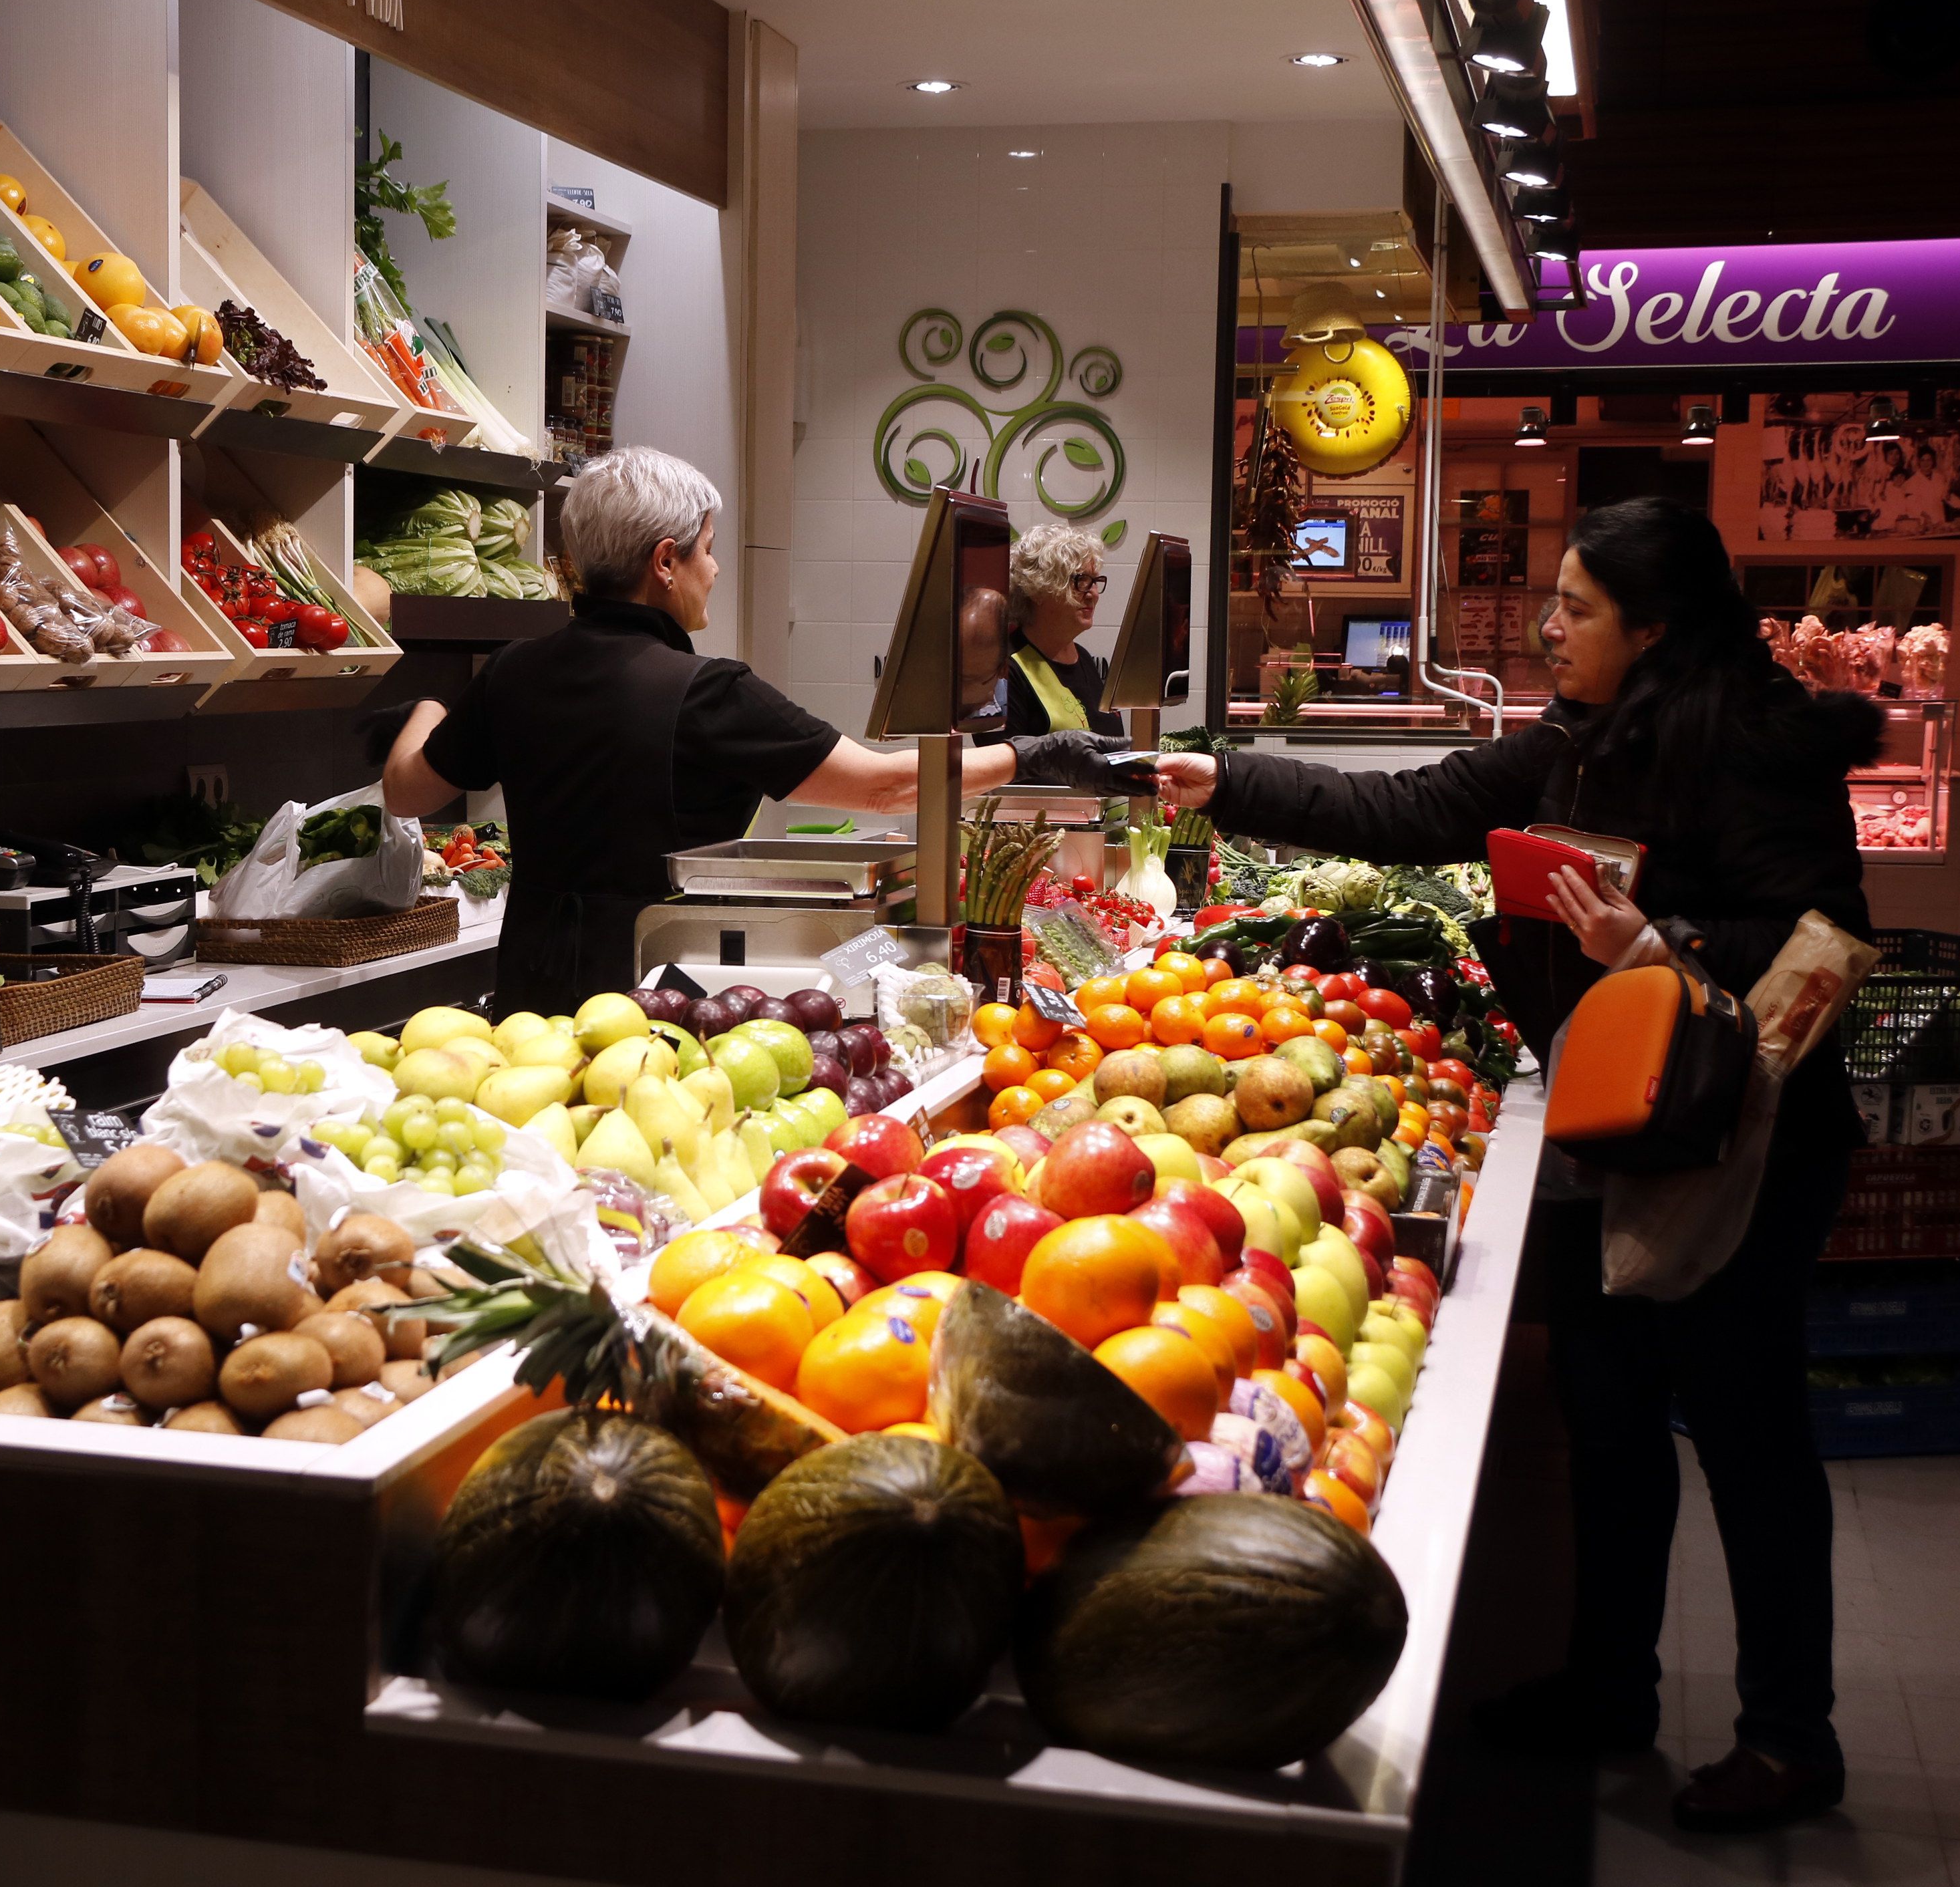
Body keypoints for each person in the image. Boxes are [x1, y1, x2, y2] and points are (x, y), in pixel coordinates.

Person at [1155, 497, 1881, 1835]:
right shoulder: (1573, 744)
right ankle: (1610, 1680)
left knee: (1749, 1431)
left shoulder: (1765, 746)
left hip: (1745, 1141)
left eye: (1575, 608)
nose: (1548, 628)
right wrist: (1230, 780)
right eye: (1551, 601)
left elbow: (1821, 936)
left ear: (1652, 628)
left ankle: (1792, 1735)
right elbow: (1412, 806)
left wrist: (1652, 939)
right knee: (1608, 1413)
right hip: (1616, 1121)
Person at [373, 447, 1143, 1014]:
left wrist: (427, 710)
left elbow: (408, 789)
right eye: (708, 550)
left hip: (529, 994)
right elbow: (885, 786)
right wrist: (1036, 754)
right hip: (658, 996)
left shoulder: (513, 671)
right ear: (665, 561)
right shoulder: (705, 691)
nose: (715, 569)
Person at [980, 523, 1123, 742]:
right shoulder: (1001, 670)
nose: (1092, 594)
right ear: (1038, 588)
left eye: (1095, 581)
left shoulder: (1083, 657)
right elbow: (1001, 767)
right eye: (1081, 581)